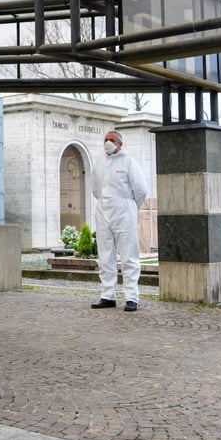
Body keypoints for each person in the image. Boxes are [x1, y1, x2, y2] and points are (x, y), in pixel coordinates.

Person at [90, 130, 149, 312]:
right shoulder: (99, 163)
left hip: (124, 212)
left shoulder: (128, 162)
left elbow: (140, 190)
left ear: (120, 144)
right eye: (106, 139)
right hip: (103, 213)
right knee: (105, 256)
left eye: (112, 140)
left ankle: (131, 297)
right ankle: (107, 296)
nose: (108, 142)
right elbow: (95, 189)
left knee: (128, 256)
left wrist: (129, 207)